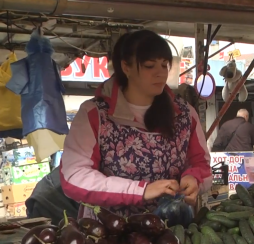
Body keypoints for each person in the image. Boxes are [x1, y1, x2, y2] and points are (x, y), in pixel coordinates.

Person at [60, 30, 212, 218]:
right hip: (107, 233)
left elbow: (202, 165)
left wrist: (193, 178)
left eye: (165, 65)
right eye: (150, 66)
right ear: (126, 67)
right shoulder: (95, 114)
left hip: (171, 231)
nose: (160, 73)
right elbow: (74, 177)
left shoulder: (185, 114)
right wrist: (140, 190)